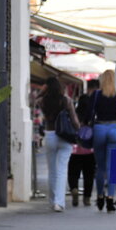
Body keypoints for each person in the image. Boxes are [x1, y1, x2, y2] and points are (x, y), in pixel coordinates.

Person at [37, 77, 81, 213]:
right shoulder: (66, 100)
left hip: (50, 135)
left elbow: (31, 101)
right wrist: (78, 130)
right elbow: (74, 121)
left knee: (52, 171)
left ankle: (52, 201)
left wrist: (41, 92)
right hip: (65, 137)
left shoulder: (42, 101)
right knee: (62, 170)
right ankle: (59, 203)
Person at [91, 69, 116, 213]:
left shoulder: (96, 95)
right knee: (113, 167)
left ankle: (99, 196)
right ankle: (110, 198)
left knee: (101, 167)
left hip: (99, 128)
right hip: (115, 128)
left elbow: (88, 114)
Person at [68, 80, 98, 207]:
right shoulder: (93, 116)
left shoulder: (75, 115)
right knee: (89, 174)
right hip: (90, 150)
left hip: (75, 149)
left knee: (73, 172)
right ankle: (87, 197)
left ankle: (74, 188)